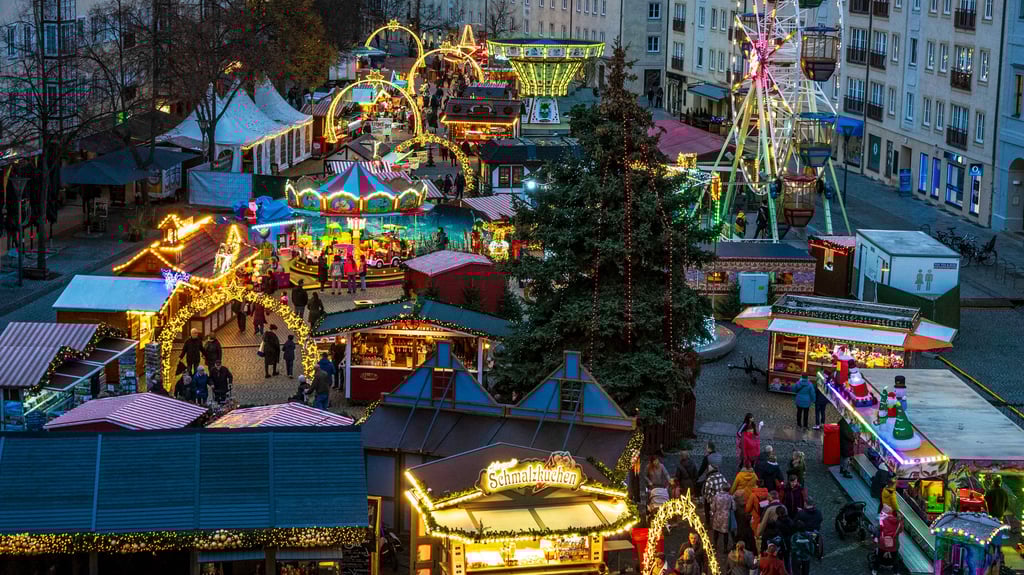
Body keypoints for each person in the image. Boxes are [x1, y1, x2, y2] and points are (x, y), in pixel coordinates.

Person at [702, 454, 730, 521]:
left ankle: (708, 521)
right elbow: (727, 486)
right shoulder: (721, 476)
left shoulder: (709, 479)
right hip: (722, 499)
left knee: (706, 503)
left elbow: (707, 493)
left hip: (714, 501)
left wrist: (709, 500)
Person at [711, 484, 735, 553]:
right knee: (725, 533)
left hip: (717, 515)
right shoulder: (730, 497)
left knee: (716, 531)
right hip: (726, 517)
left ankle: (715, 544)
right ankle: (725, 548)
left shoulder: (716, 496)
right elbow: (734, 507)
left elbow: (713, 507)